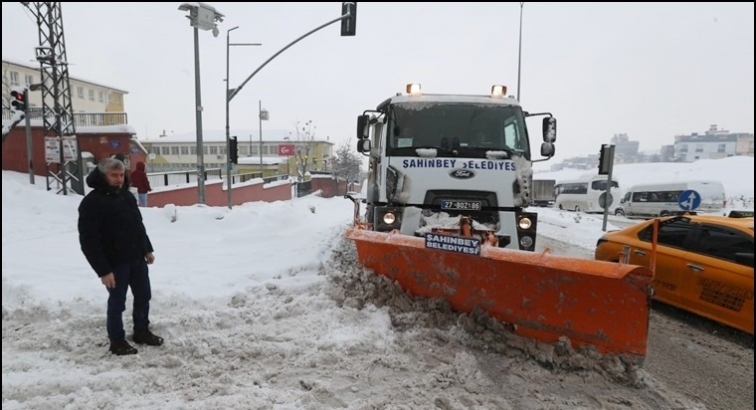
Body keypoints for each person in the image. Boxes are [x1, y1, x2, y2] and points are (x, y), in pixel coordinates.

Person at [77, 157, 163, 356]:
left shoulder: (127, 197)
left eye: (121, 175)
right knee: (117, 303)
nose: (118, 179)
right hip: (114, 264)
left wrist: (146, 249)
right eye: (113, 175)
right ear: (103, 176)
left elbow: (137, 226)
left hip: (136, 259)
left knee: (143, 296)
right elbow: (89, 241)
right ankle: (116, 340)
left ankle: (141, 331)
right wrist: (103, 270)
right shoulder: (92, 203)